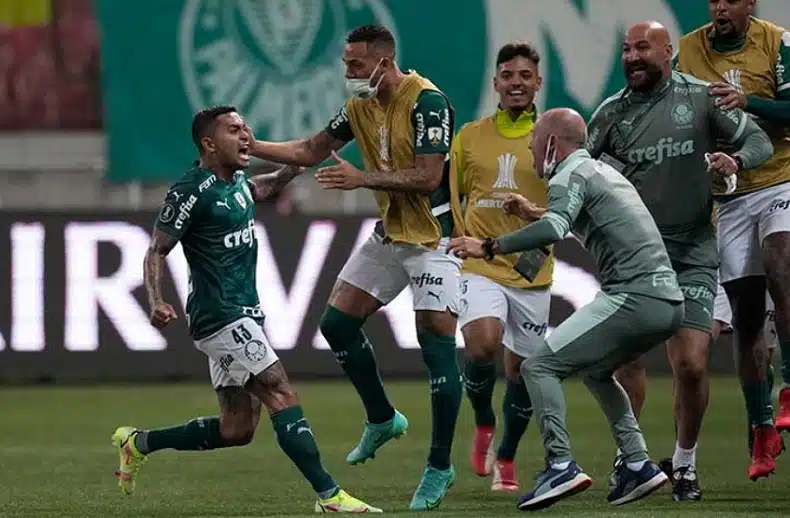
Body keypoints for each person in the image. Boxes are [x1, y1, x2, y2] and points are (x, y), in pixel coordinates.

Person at [111, 106, 381, 514]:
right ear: (209, 143)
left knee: (236, 429)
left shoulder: (236, 179)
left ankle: (139, 443)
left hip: (244, 312)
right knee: (279, 390)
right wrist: (156, 300)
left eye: (245, 127)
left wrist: (294, 168)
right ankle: (329, 496)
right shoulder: (189, 191)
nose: (245, 135)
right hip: (219, 315)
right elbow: (156, 249)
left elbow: (259, 189)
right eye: (234, 130)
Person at [247, 24, 461, 510]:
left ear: (384, 62)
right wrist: (251, 146)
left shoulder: (428, 103)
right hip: (392, 232)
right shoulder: (359, 106)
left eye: (355, 64)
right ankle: (382, 418)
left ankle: (439, 465)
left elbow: (429, 176)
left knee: (435, 341)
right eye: (346, 63)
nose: (348, 72)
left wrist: (362, 179)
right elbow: (310, 150)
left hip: (435, 236)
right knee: (337, 323)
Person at [448, 107, 680, 510]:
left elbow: (555, 229)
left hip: (633, 296)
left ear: (552, 143)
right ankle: (637, 462)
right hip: (667, 301)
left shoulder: (566, 175)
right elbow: (578, 220)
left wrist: (488, 246)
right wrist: (534, 213)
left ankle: (560, 465)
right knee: (596, 371)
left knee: (537, 366)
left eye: (534, 141)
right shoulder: (600, 172)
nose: (530, 149)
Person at [588, 21, 774, 499]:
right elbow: (578, 169)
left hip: (692, 250)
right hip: (634, 254)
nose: (632, 57)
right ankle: (631, 460)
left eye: (642, 48)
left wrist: (736, 161)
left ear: (668, 52)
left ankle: (685, 464)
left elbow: (760, 141)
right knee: (626, 361)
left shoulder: (701, 98)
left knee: (691, 364)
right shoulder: (610, 113)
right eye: (626, 49)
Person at [673, 0, 790, 478]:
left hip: (780, 178)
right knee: (745, 315)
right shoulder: (688, 50)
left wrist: (749, 102)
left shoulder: (777, 42)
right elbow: (676, 115)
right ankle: (760, 425)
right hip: (729, 198)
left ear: (751, 4)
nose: (720, 6)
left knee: (781, 265)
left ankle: (789, 388)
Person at [448, 41, 551, 492]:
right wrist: (457, 241)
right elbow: (452, 196)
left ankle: (506, 456)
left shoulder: (553, 139)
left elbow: (568, 203)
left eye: (525, 75)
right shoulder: (470, 137)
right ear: (495, 83)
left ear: (538, 83)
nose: (516, 83)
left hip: (531, 267)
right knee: (481, 346)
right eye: (508, 75)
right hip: (480, 264)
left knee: (522, 373)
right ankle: (484, 420)